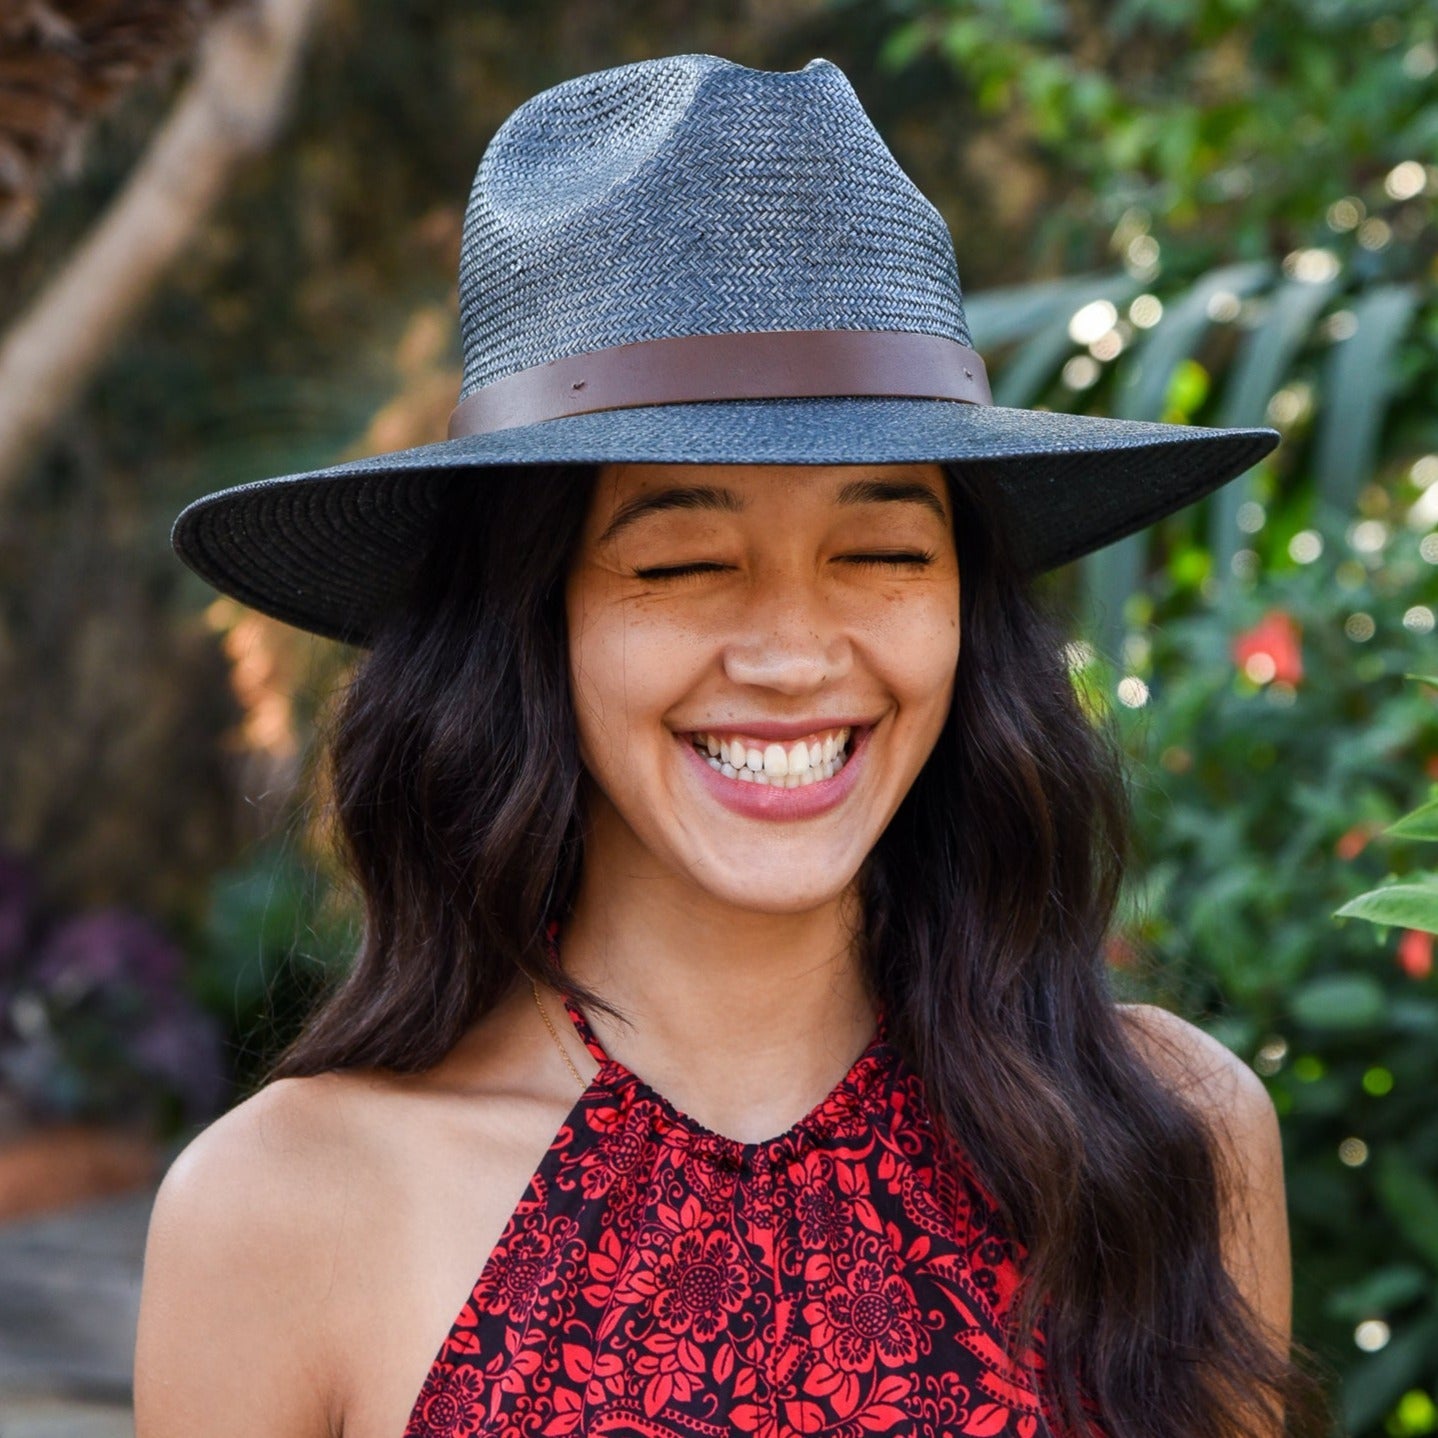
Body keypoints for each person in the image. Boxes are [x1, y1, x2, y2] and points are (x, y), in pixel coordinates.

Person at [135, 54, 1329, 1438]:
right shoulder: (286, 1206)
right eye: (682, 561)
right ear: (535, 618)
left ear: (967, 609)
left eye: (881, 549)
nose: (790, 655)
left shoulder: (1165, 1134)